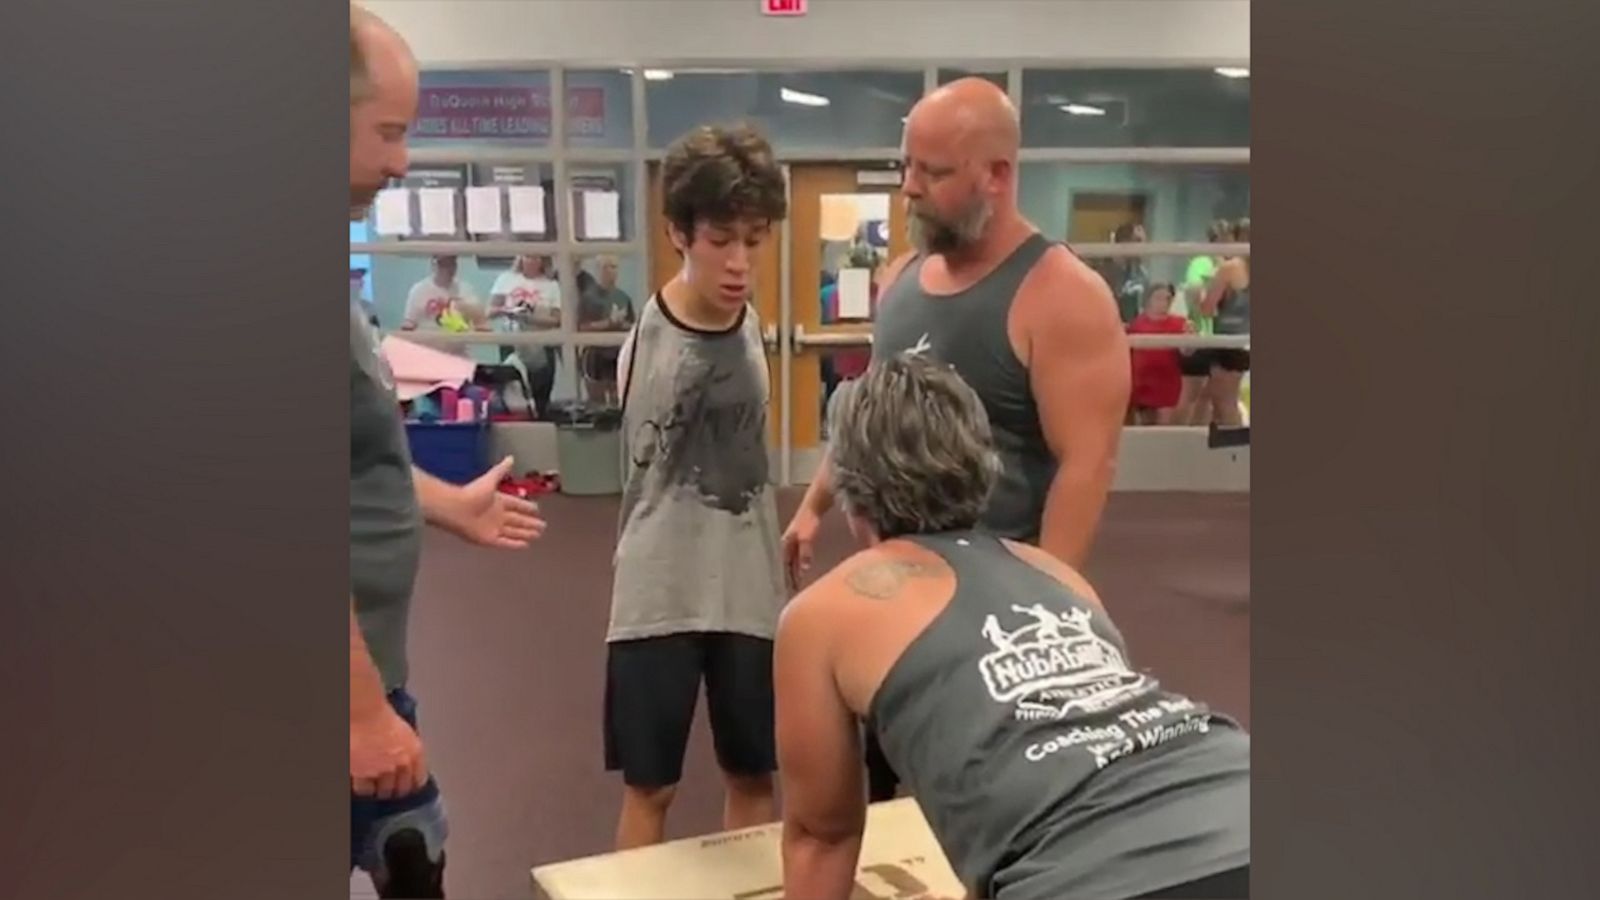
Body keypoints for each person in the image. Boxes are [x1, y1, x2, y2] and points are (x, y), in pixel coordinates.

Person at [775, 356, 1250, 900]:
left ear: (853, 495)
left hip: (1096, 878)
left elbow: (821, 837)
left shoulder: (825, 610)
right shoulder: (1055, 575)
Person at [348, 6, 547, 896]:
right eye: (388, 132)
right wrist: (358, 712)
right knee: (413, 851)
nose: (401, 160)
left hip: (370, 676)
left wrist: (438, 500)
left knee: (412, 854)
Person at [784, 76, 1128, 579]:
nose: (910, 186)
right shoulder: (900, 275)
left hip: (998, 583)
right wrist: (812, 508)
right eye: (907, 166)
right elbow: (871, 418)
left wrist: (1051, 599)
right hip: (899, 579)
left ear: (997, 175)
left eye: (933, 172)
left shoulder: (1063, 294)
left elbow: (1086, 467)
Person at [604, 123, 790, 851]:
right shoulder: (646, 337)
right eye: (721, 239)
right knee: (652, 787)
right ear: (679, 233)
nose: (740, 261)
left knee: (753, 777)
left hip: (748, 589)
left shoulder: (751, 325)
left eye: (754, 238)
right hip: (657, 595)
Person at [489, 253, 561, 417]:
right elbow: (490, 311)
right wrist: (508, 311)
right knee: (512, 393)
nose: (531, 261)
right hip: (512, 341)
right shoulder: (506, 279)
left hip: (541, 344)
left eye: (536, 257)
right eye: (527, 257)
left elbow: (557, 320)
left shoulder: (551, 285)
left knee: (540, 395)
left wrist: (530, 317)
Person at [1175, 219, 1230, 426]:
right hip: (1199, 334)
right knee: (1191, 394)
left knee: (1207, 396)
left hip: (1215, 336)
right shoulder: (1202, 262)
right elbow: (1193, 290)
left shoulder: (1226, 266)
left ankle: (1196, 439)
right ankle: (1176, 438)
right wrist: (1206, 306)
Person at [1198, 218, 1251, 427]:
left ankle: (1237, 452)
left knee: (1225, 404)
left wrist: (1201, 294)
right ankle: (1229, 451)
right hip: (1244, 340)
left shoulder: (1229, 268)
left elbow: (1207, 308)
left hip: (1226, 339)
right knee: (1220, 400)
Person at [1127, 283, 1192, 425]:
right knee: (1145, 427)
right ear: (1148, 299)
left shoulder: (1179, 324)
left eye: (1167, 298)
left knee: (1164, 426)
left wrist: (1189, 337)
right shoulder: (1137, 324)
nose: (1163, 302)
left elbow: (1187, 352)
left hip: (1166, 382)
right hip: (1142, 382)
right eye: (1159, 298)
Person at [577, 254, 636, 404]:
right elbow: (582, 327)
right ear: (598, 271)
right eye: (606, 267)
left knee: (619, 397)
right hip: (595, 354)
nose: (610, 271)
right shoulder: (588, 297)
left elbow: (632, 325)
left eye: (614, 267)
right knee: (597, 400)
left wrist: (621, 324)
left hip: (617, 353)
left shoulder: (623, 297)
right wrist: (608, 323)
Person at [402, 255, 487, 353]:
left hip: (457, 355)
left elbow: (481, 321)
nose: (448, 269)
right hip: (426, 354)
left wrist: (462, 306)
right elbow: (409, 324)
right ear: (433, 265)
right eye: (443, 264)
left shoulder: (465, 289)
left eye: (451, 263)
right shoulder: (419, 290)